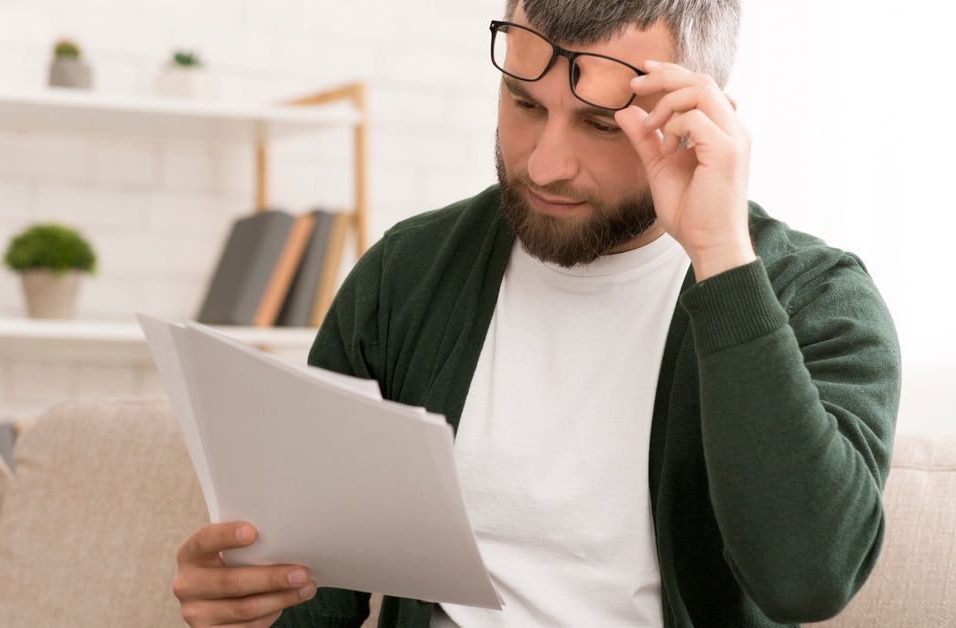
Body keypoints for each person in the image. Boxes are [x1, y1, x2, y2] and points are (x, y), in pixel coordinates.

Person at [171, 0, 901, 626]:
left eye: (601, 125)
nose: (546, 164)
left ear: (695, 115)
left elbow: (808, 577)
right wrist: (247, 604)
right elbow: (317, 597)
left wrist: (720, 255)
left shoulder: (817, 300)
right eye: (524, 105)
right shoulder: (409, 274)